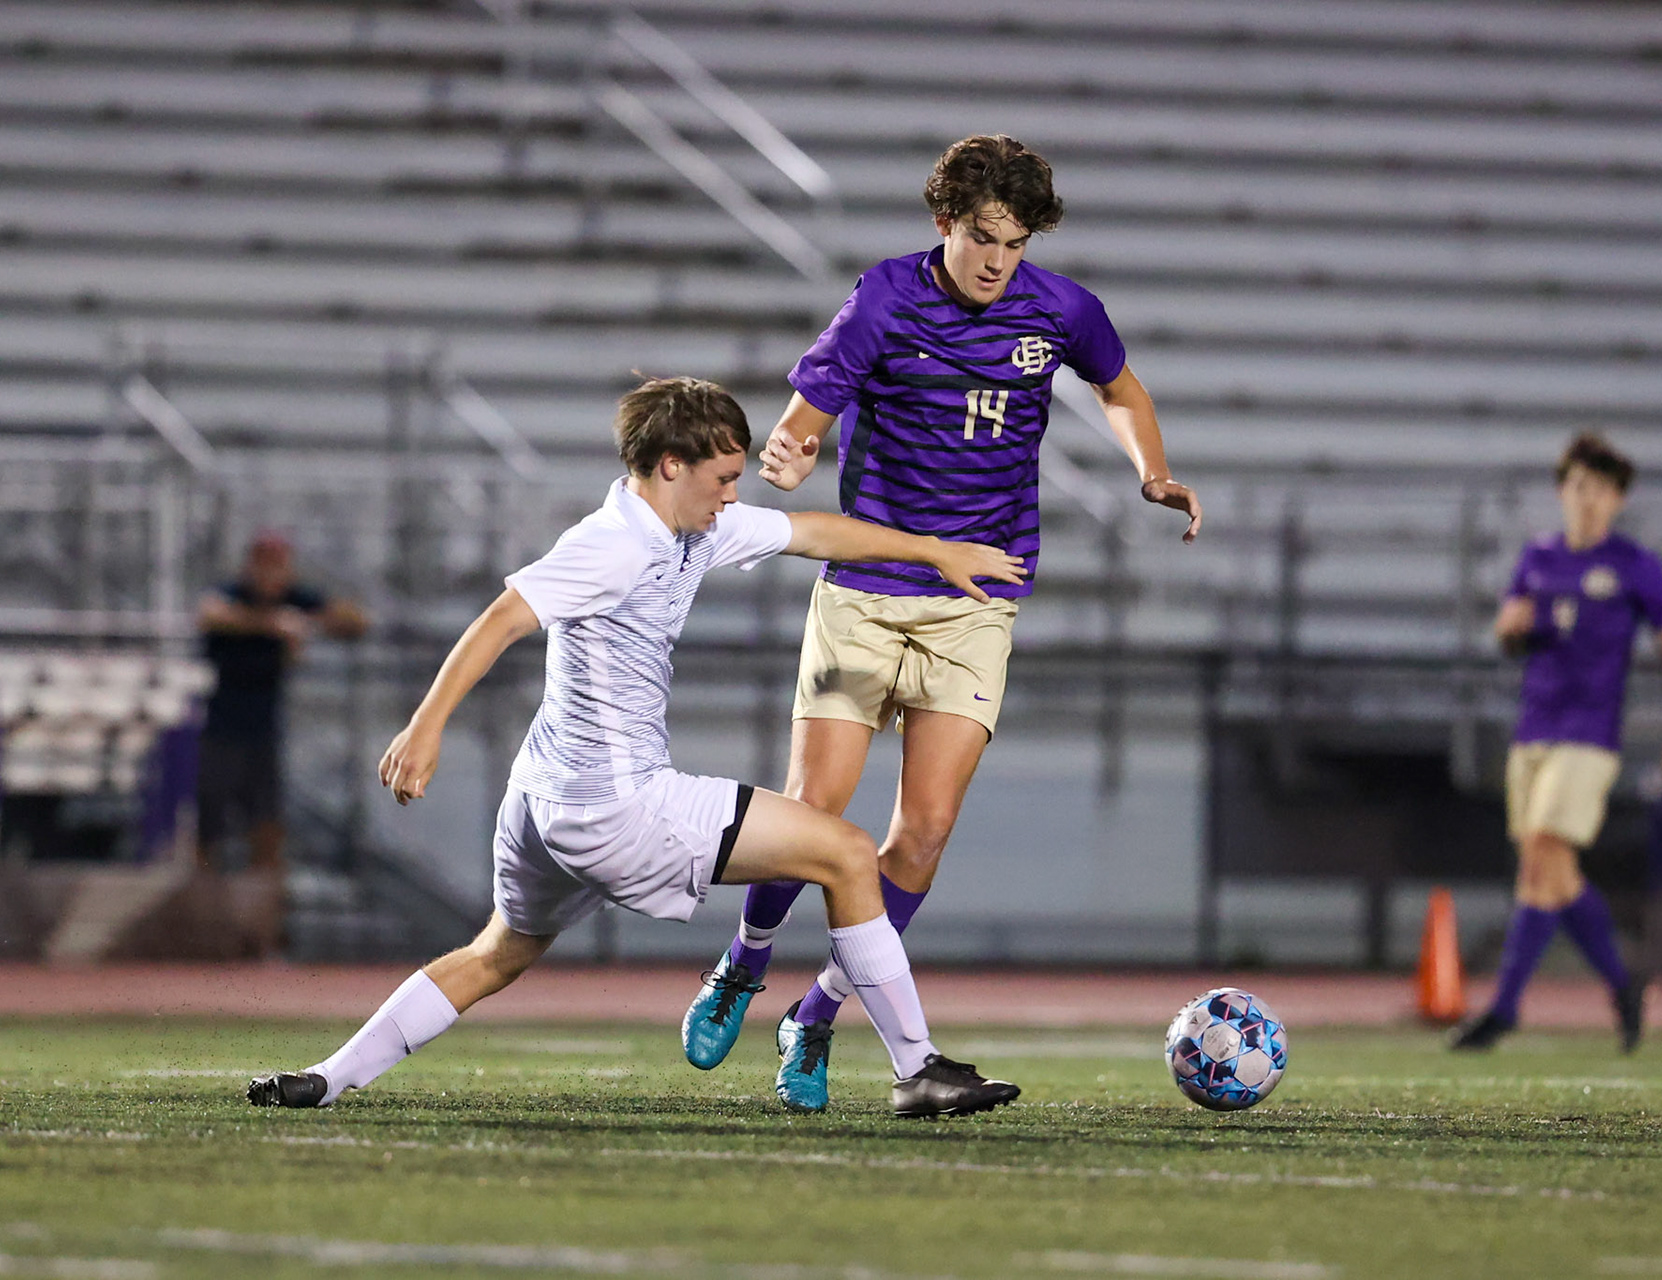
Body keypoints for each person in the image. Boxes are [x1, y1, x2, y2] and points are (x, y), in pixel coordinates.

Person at [247, 376, 1025, 1118]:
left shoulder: (689, 526)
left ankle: (329, 1076)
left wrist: (932, 551)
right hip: (617, 806)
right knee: (850, 854)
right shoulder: (614, 543)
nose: (732, 494)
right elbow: (503, 618)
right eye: (722, 478)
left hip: (540, 803)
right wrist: (424, 727)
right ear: (670, 466)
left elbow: (814, 531)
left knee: (498, 953)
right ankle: (915, 1067)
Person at [680, 134, 1202, 1112]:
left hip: (977, 604)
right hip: (867, 590)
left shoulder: (1062, 310)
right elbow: (806, 416)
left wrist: (1152, 468)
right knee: (815, 812)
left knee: (920, 836)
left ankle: (817, 1016)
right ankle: (743, 959)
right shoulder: (886, 296)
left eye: (1013, 240)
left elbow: (1120, 387)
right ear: (944, 224)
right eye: (982, 237)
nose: (998, 259)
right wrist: (790, 453)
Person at [1451, 433, 1662, 1053]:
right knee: (1547, 876)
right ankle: (1624, 982)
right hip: (1532, 731)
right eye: (1580, 486)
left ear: (1618, 499)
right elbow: (1509, 632)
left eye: (1603, 490)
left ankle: (1506, 1007)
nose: (1589, 499)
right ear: (1563, 491)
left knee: (1542, 854)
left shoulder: (1636, 565)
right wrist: (1510, 629)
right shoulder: (1537, 558)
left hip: (1589, 736)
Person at [197, 532, 368, 874]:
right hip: (221, 726)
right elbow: (210, 614)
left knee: (265, 817)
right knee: (211, 817)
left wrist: (308, 623)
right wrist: (271, 625)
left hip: (264, 729)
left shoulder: (294, 598)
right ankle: (205, 888)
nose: (270, 576)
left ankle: (263, 893)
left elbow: (355, 620)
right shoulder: (235, 596)